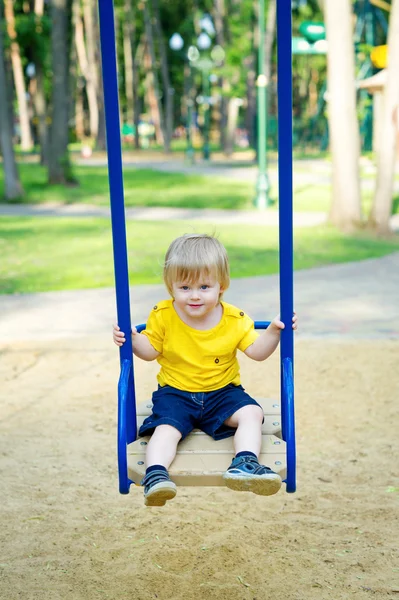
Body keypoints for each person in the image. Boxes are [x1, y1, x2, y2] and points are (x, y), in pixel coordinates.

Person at [113, 233, 297, 507]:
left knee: (252, 413)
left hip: (223, 392)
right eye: (184, 288)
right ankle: (156, 476)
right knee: (166, 429)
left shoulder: (234, 318)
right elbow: (150, 352)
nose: (195, 296)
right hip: (175, 393)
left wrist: (274, 331)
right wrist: (132, 339)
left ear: (221, 285)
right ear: (170, 286)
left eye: (204, 287)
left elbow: (257, 353)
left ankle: (245, 463)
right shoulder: (163, 315)